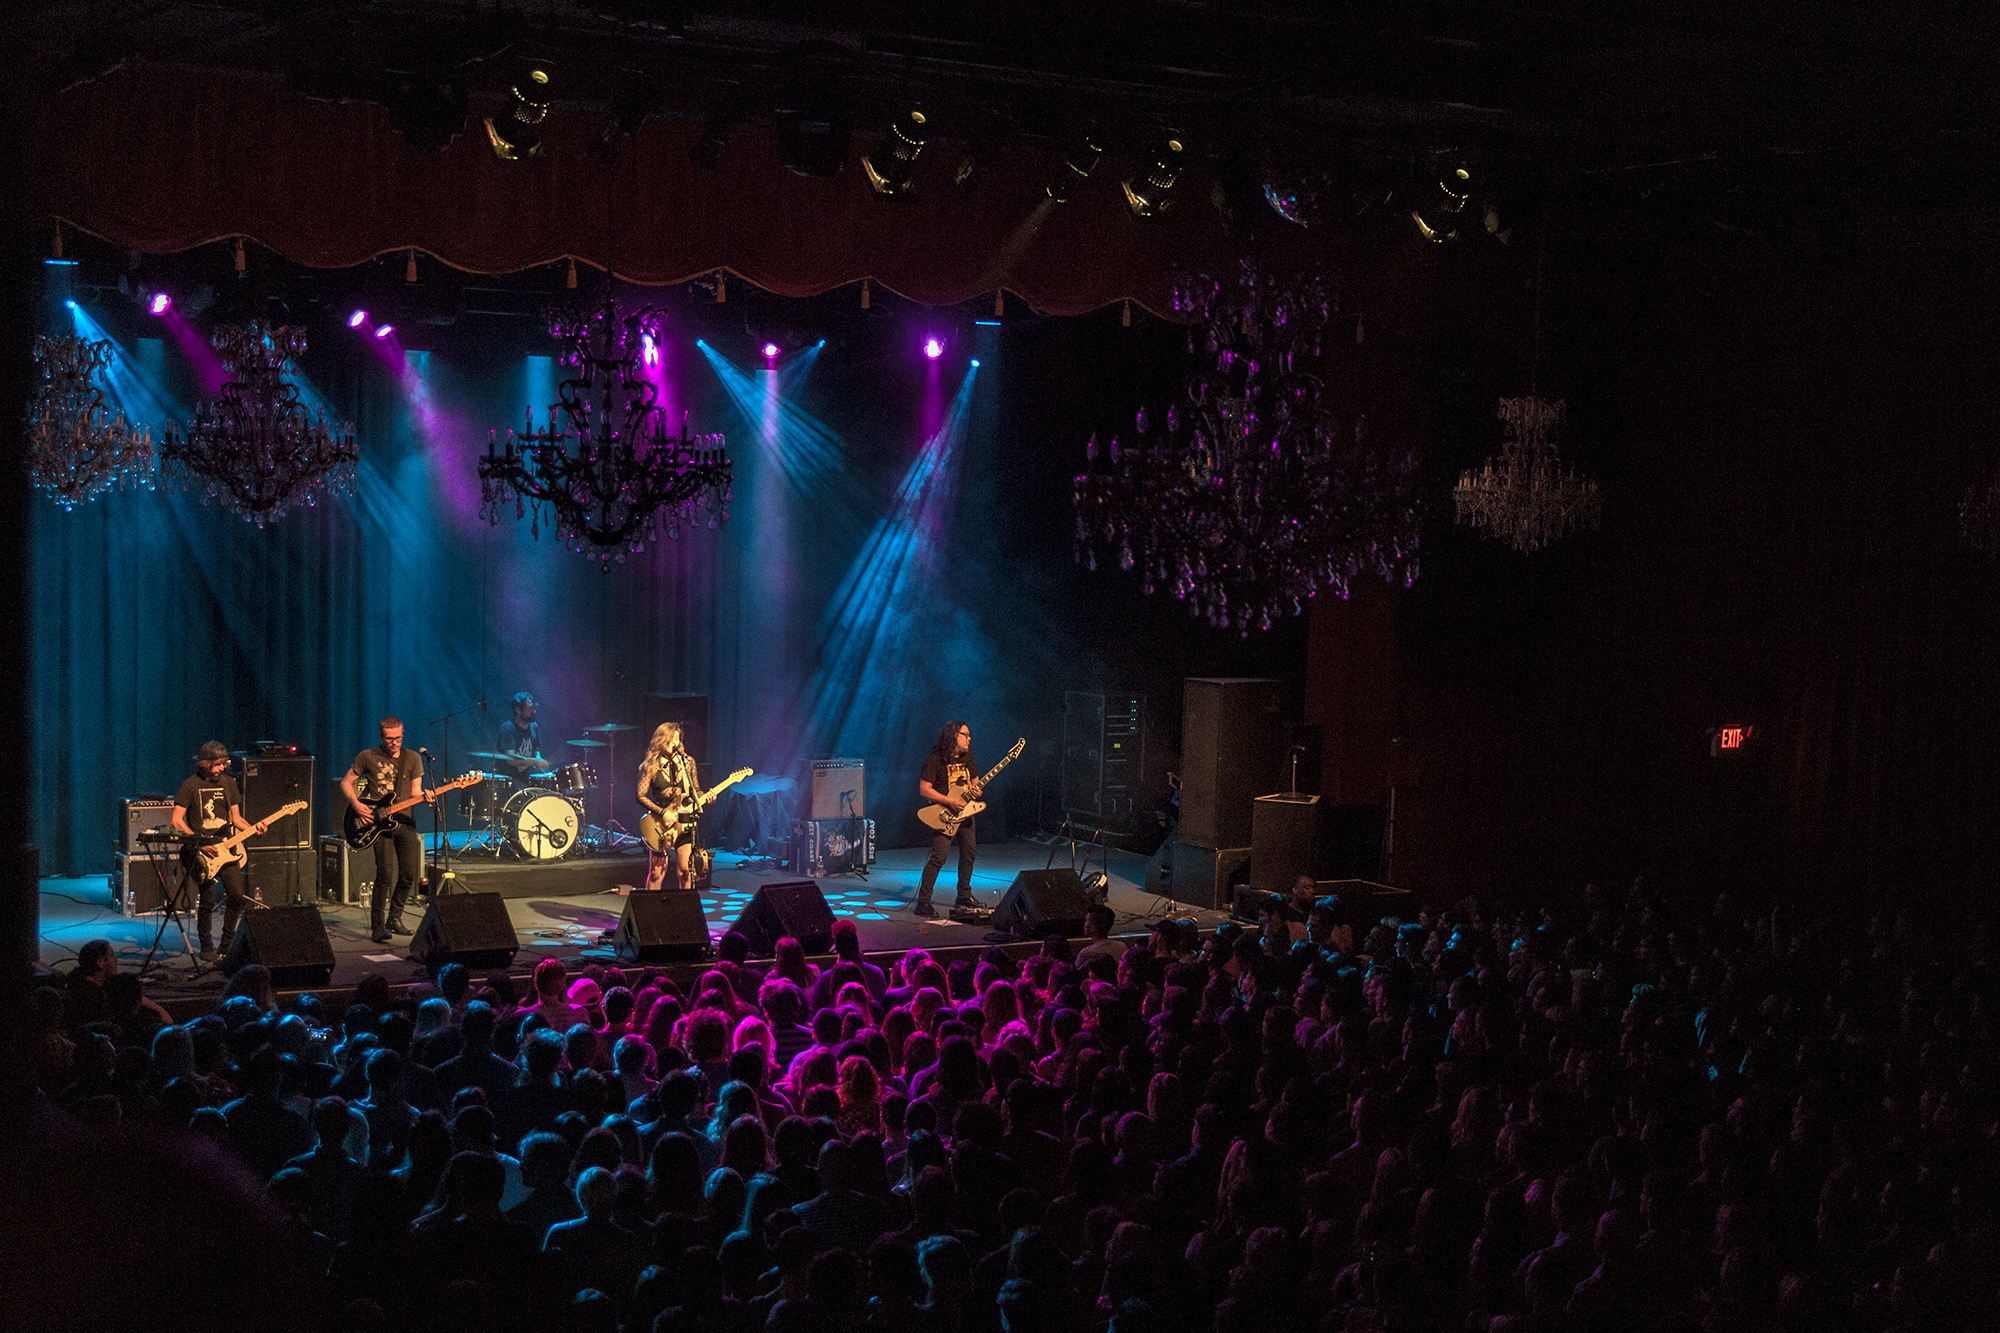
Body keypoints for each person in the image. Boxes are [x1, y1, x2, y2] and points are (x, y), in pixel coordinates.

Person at [173, 740, 277, 961]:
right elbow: (176, 820)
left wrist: (254, 829)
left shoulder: (229, 784)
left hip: (227, 850)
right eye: (218, 764)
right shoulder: (190, 785)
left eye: (224, 764)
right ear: (205, 763)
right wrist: (199, 843)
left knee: (237, 896)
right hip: (203, 852)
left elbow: (236, 818)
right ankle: (206, 946)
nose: (222, 768)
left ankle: (227, 945)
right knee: (207, 899)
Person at [340, 717, 430, 943]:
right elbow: (345, 783)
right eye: (390, 739)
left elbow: (416, 791)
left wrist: (426, 797)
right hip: (378, 824)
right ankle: (378, 925)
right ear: (381, 736)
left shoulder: (413, 758)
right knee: (385, 875)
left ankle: (395, 918)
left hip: (405, 822)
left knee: (409, 874)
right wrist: (357, 805)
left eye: (399, 738)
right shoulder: (367, 756)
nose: (395, 743)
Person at [915, 721, 984, 918]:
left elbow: (976, 784)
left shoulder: (969, 757)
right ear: (954, 736)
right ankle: (923, 902)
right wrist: (950, 802)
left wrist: (977, 791)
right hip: (945, 814)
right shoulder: (935, 759)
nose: (969, 738)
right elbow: (924, 790)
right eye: (965, 734)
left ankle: (964, 896)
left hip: (966, 813)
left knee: (969, 853)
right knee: (939, 857)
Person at [636, 721, 704, 892]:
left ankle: (685, 906)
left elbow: (696, 790)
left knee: (686, 872)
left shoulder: (688, 762)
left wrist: (706, 796)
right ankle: (650, 907)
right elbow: (640, 796)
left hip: (684, 821)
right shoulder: (650, 765)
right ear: (662, 740)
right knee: (657, 873)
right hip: (661, 824)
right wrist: (662, 812)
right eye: (672, 738)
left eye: (678, 738)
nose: (675, 742)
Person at [497, 691, 545, 780]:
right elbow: (511, 759)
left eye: (534, 708)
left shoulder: (534, 727)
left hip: (524, 777)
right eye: (530, 708)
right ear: (518, 710)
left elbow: (535, 752)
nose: (534, 711)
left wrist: (539, 759)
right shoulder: (508, 728)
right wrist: (534, 761)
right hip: (506, 779)